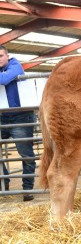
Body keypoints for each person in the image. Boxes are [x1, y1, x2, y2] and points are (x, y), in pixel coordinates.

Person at [0, 44, 35, 201]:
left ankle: (27, 189)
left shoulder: (15, 65)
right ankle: (4, 182)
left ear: (7, 56)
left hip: (21, 116)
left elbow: (5, 79)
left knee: (25, 154)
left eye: (0, 56)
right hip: (2, 116)